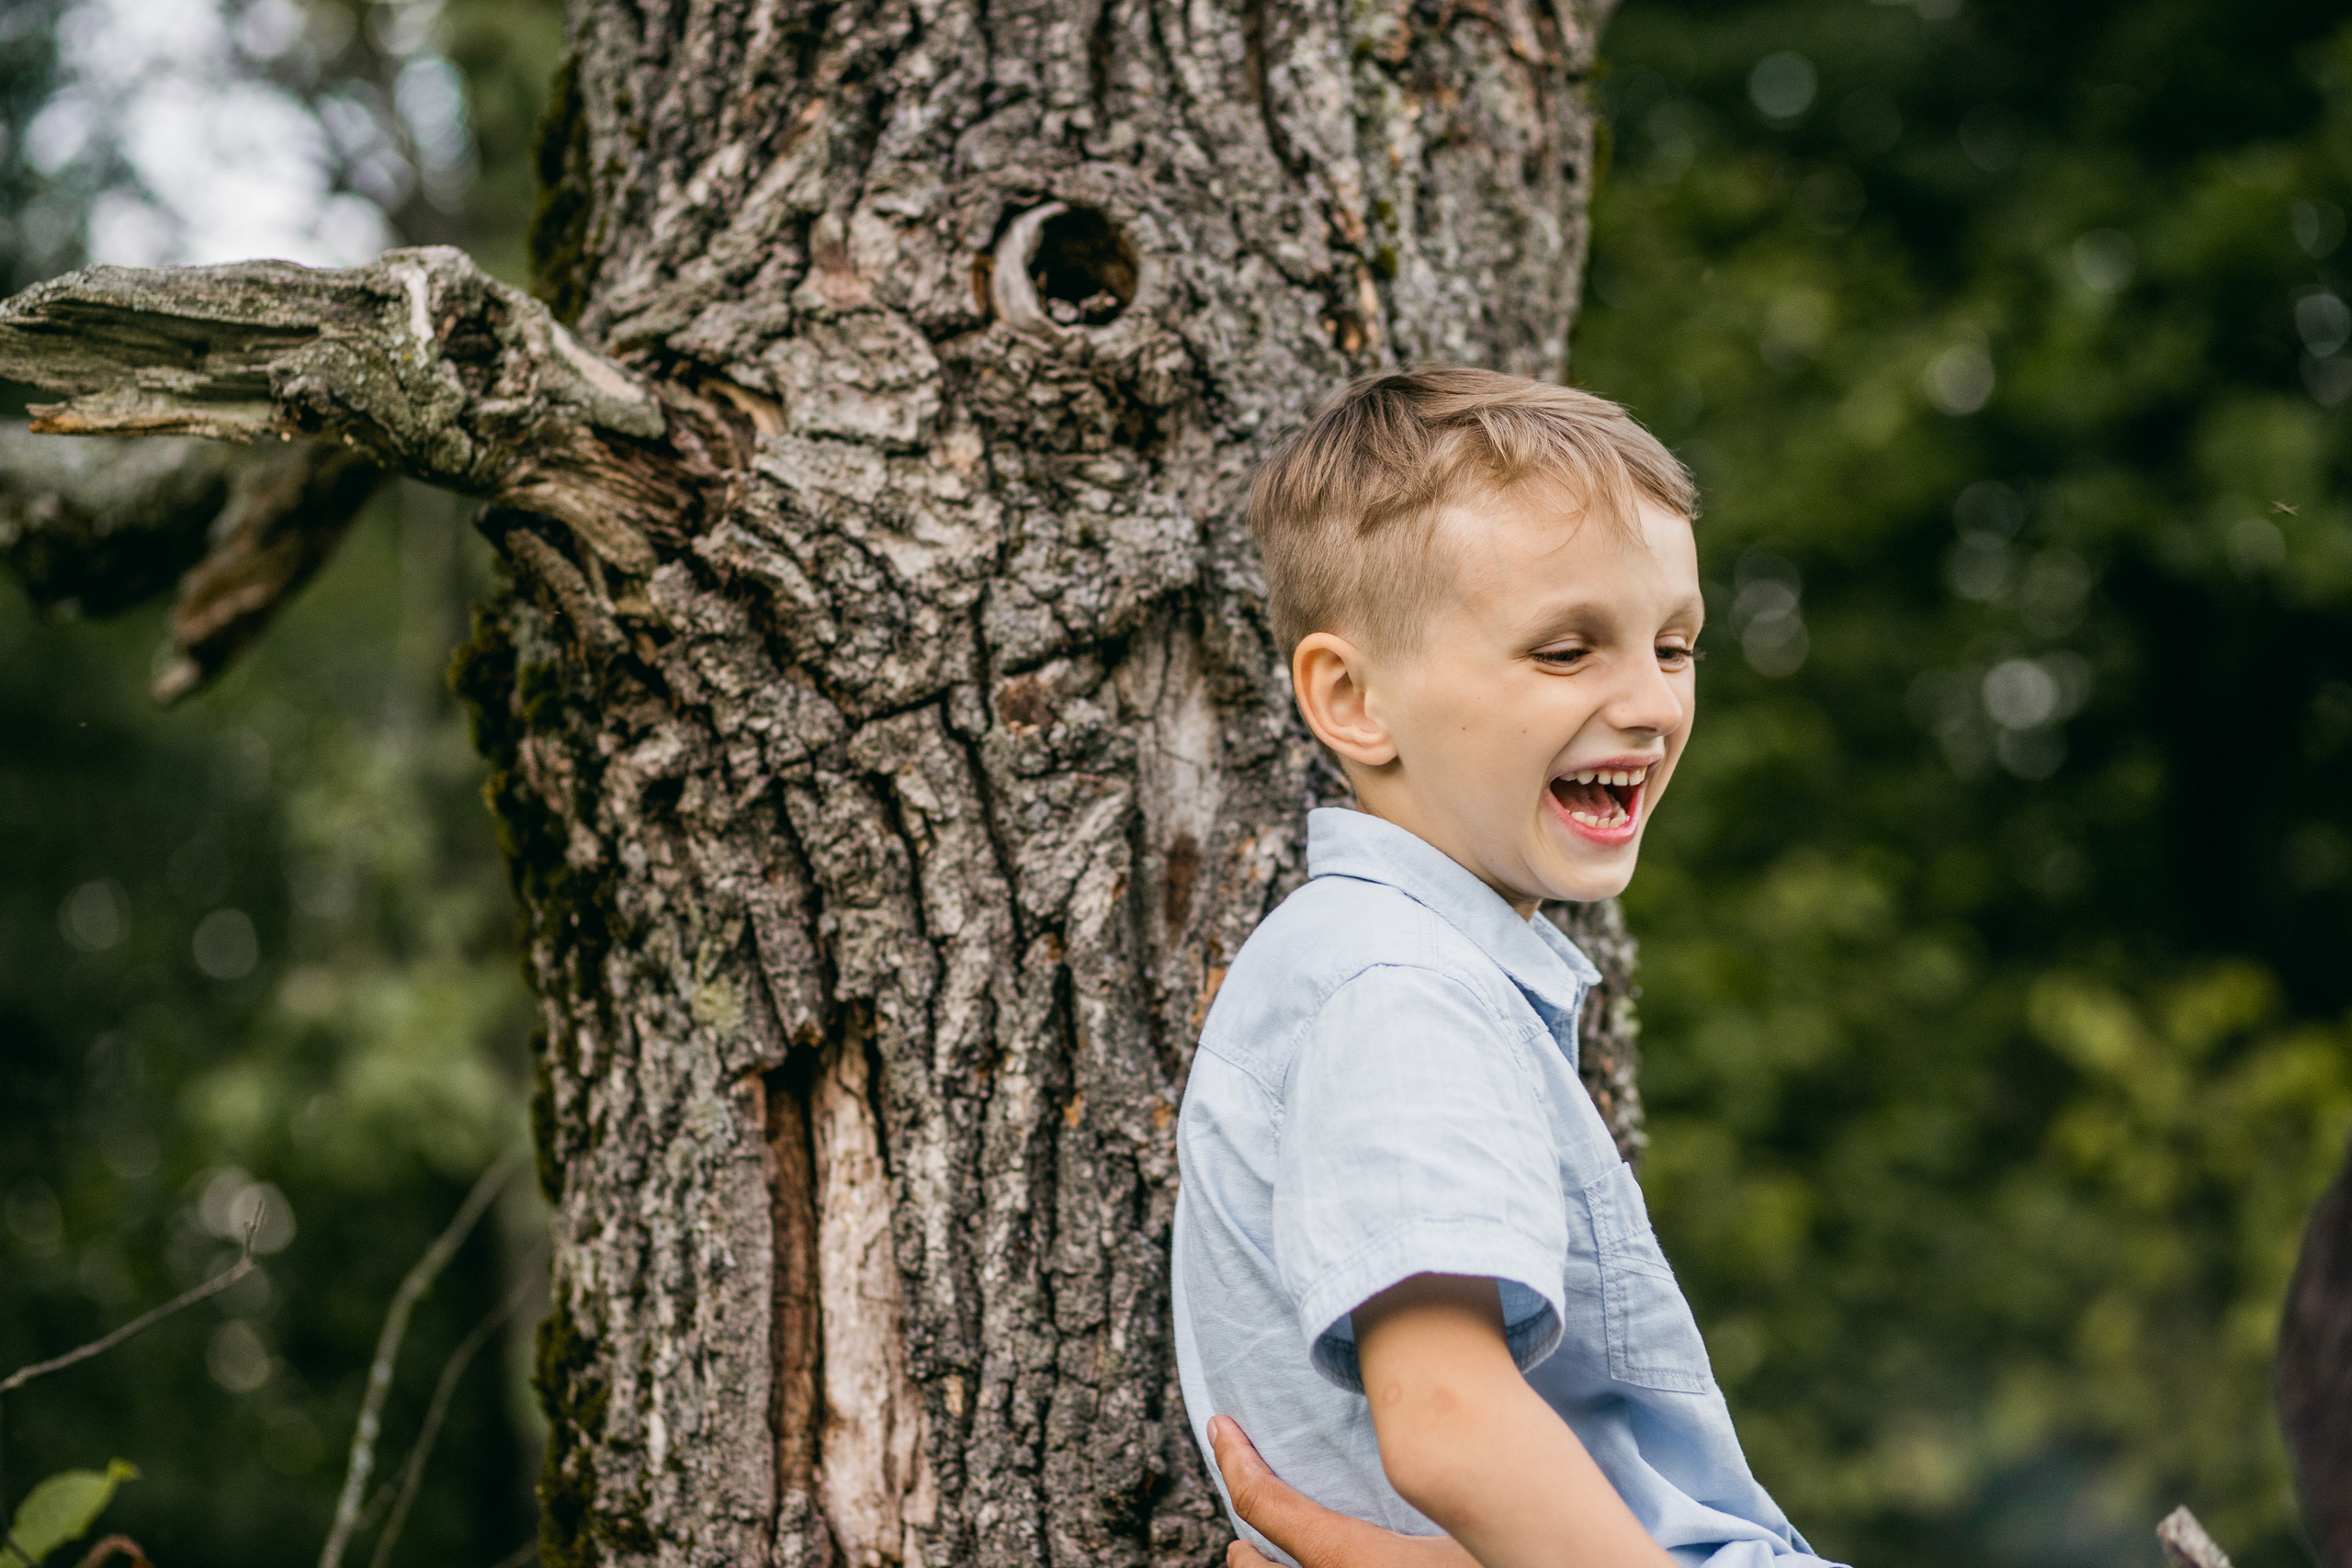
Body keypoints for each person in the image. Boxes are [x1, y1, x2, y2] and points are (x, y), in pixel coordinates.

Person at [1170, 367, 1838, 1568]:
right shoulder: (1397, 990)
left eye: (1675, 647)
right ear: (1352, 699)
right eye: (1567, 651)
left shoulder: (1394, 972)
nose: (1652, 703)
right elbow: (1448, 1425)